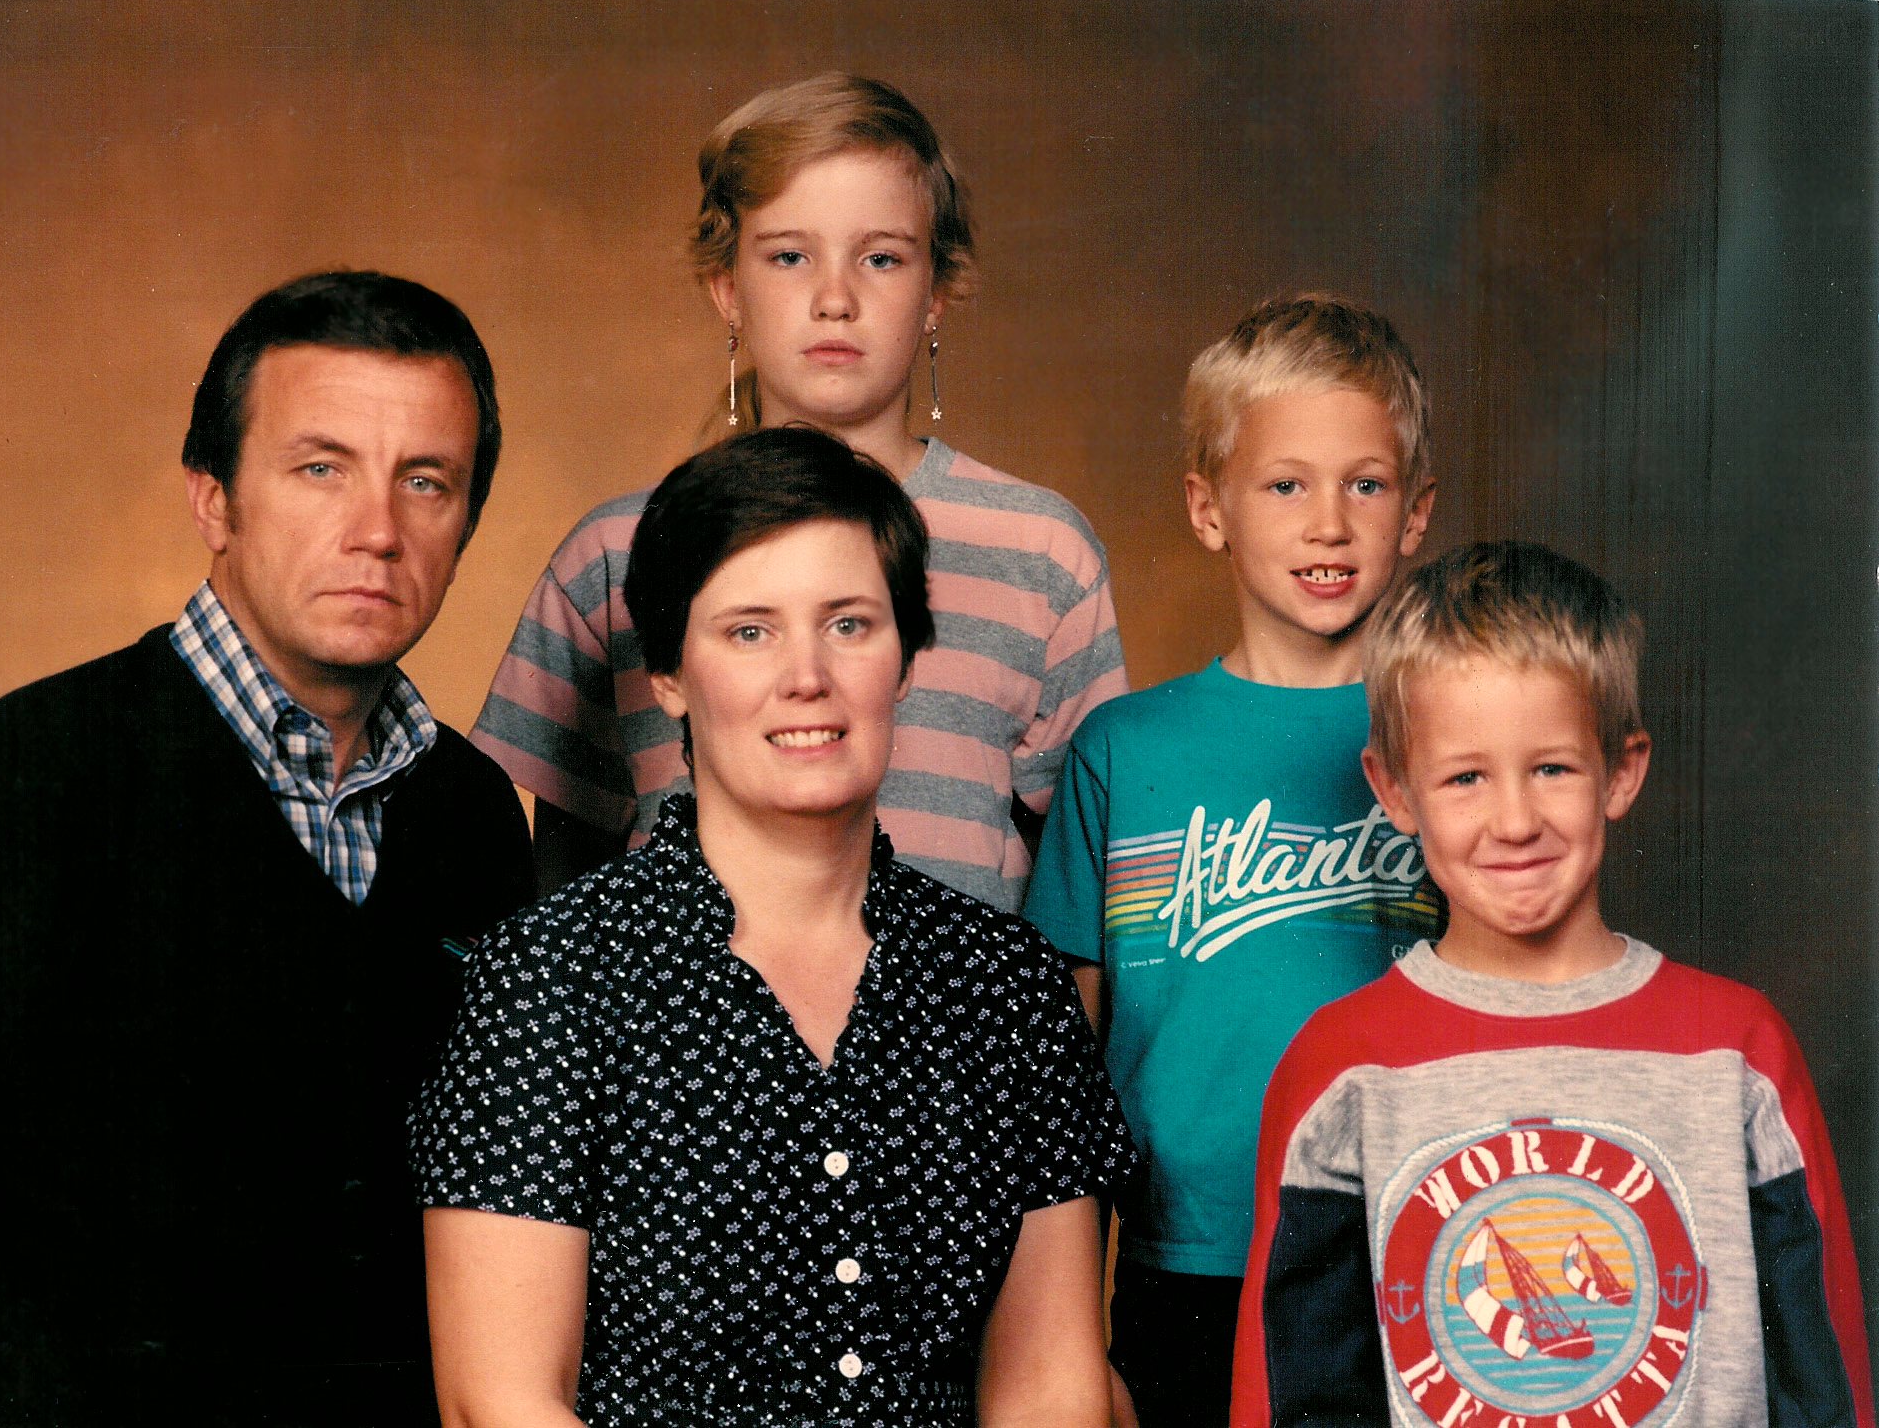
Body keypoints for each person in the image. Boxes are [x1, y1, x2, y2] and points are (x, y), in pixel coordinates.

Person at [0, 270, 536, 1425]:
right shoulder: (21, 776)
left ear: (467, 517)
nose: (377, 531)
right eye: (319, 468)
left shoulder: (473, 816)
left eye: (425, 481)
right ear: (214, 499)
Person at [412, 426, 1135, 1428]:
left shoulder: (1003, 984)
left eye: (850, 625)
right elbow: (497, 1401)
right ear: (668, 673)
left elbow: (1053, 1387)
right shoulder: (547, 981)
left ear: (908, 655)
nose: (809, 676)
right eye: (749, 631)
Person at [1231, 541, 1874, 1428]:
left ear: (1620, 769)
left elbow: (1823, 1369)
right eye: (1464, 777)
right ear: (1395, 790)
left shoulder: (1733, 1045)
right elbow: (1291, 1390)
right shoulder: (1343, 1064)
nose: (1515, 820)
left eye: (1552, 768)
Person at [472, 71, 1127, 910]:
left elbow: (1077, 875)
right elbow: (564, 876)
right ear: (726, 289)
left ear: (935, 292)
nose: (834, 299)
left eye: (881, 258)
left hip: (952, 1026)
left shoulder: (1040, 550)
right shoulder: (612, 553)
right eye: (789, 256)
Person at [1020, 294, 1442, 1426]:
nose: (1329, 523)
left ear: (1415, 514)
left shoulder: (1453, 742)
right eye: (1285, 484)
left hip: (1413, 1239)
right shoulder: (1126, 749)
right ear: (1208, 510)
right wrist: (1066, 1332)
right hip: (1188, 1257)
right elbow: (1063, 1067)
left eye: (1367, 484)